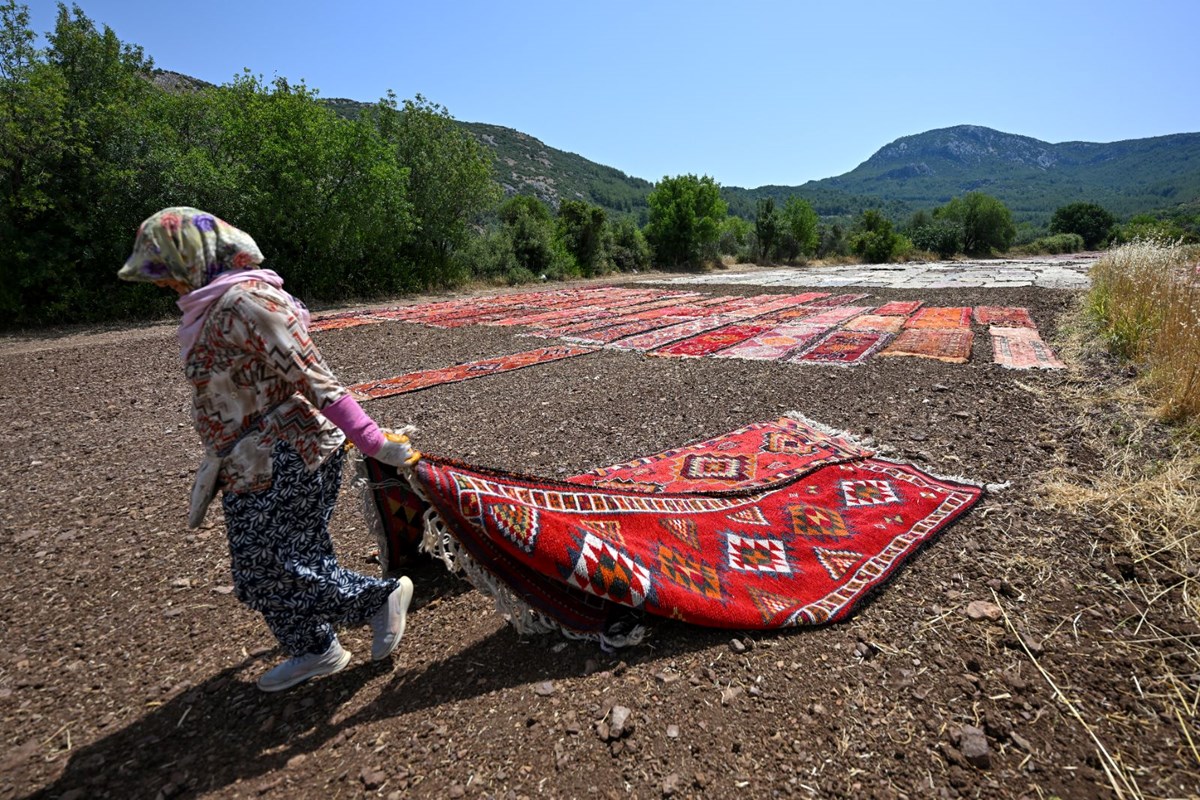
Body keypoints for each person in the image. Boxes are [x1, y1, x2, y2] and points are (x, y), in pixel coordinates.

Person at [119, 207, 416, 692]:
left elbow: (314, 377)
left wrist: (375, 441)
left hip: (289, 453)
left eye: (165, 270)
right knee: (290, 559)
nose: (162, 284)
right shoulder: (211, 306)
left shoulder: (247, 301)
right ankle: (315, 648)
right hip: (248, 460)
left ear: (196, 257)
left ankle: (375, 601)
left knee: (266, 570)